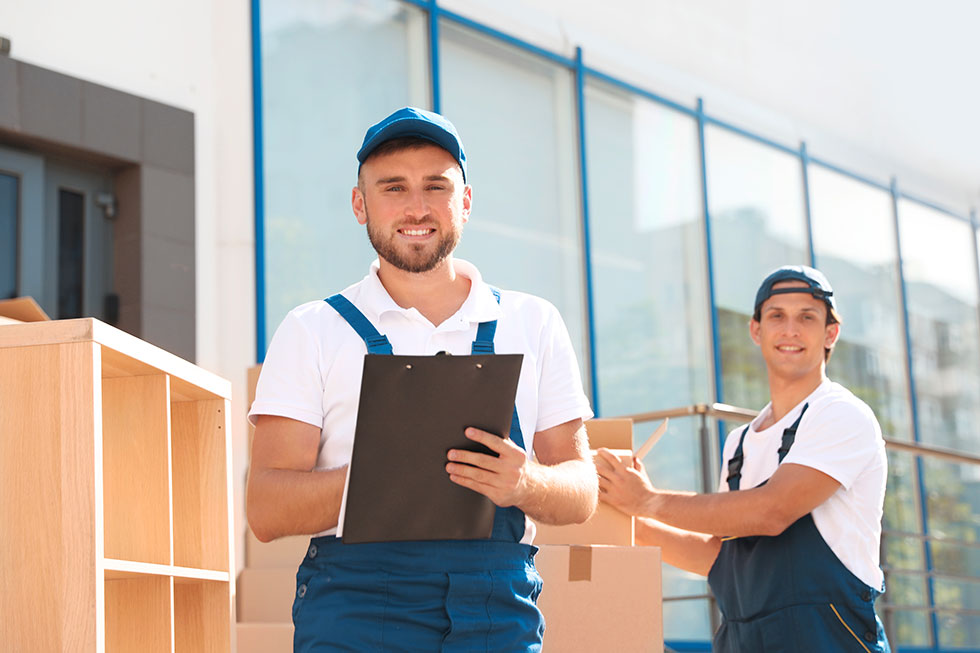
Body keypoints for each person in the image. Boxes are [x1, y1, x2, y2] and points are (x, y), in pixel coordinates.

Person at [246, 106, 597, 651]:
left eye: (436, 186)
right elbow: (266, 509)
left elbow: (581, 490)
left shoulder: (533, 323)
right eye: (393, 187)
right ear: (360, 204)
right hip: (356, 612)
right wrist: (381, 478)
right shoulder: (312, 330)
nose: (416, 207)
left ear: (466, 201)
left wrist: (524, 483)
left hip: (496, 615)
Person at [596, 265, 891, 653]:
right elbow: (721, 559)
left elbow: (771, 512)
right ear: (756, 330)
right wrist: (630, 517)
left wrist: (648, 500)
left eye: (807, 317)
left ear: (830, 334)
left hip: (827, 640)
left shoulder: (840, 414)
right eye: (777, 317)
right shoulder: (739, 443)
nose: (790, 330)